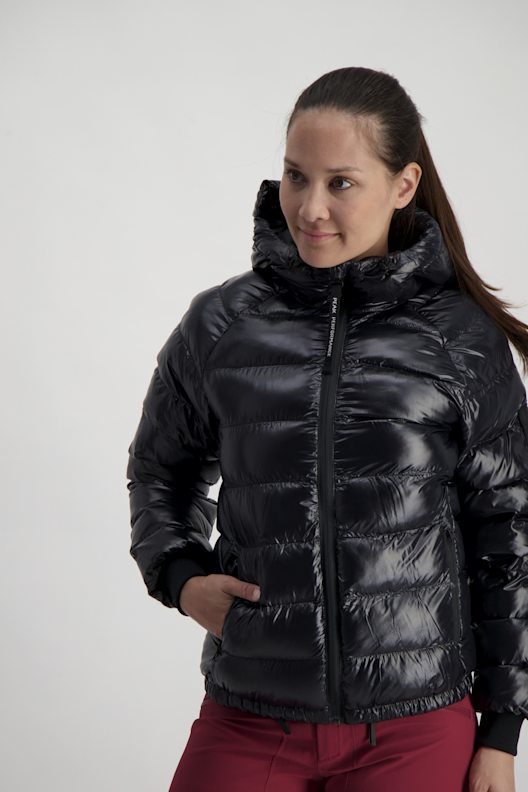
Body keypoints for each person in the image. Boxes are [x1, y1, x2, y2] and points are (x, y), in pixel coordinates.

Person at [126, 66, 528, 792]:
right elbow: (161, 468)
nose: (310, 208)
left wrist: (501, 732)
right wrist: (182, 578)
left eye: (341, 182)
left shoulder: (459, 340)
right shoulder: (222, 324)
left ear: (403, 185)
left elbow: (511, 534)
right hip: (250, 710)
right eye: (295, 176)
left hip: (414, 722)